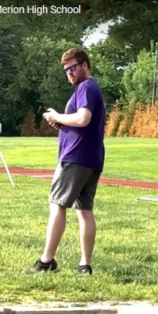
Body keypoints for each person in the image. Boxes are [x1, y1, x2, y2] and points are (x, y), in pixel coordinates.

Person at [28, 48, 106, 275]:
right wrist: (62, 123)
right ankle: (85, 265)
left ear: (84, 65)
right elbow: (81, 121)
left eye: (72, 68)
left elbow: (83, 119)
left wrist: (56, 117)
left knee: (58, 205)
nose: (69, 73)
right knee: (84, 209)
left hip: (75, 156)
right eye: (66, 70)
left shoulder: (86, 87)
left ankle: (46, 261)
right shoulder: (89, 88)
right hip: (91, 157)